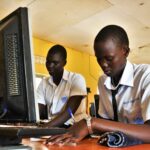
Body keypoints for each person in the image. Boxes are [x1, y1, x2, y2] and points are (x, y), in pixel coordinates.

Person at [45, 25, 150, 144]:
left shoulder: (145, 76)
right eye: (99, 59)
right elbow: (105, 124)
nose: (103, 64)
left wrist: (91, 123)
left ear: (125, 51)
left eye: (109, 58)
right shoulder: (103, 81)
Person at [36, 44, 87, 128]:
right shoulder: (44, 82)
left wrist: (44, 128)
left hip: (75, 127)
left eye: (55, 63)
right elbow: (39, 110)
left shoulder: (76, 79)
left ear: (64, 63)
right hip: (53, 126)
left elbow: (69, 112)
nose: (50, 66)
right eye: (48, 61)